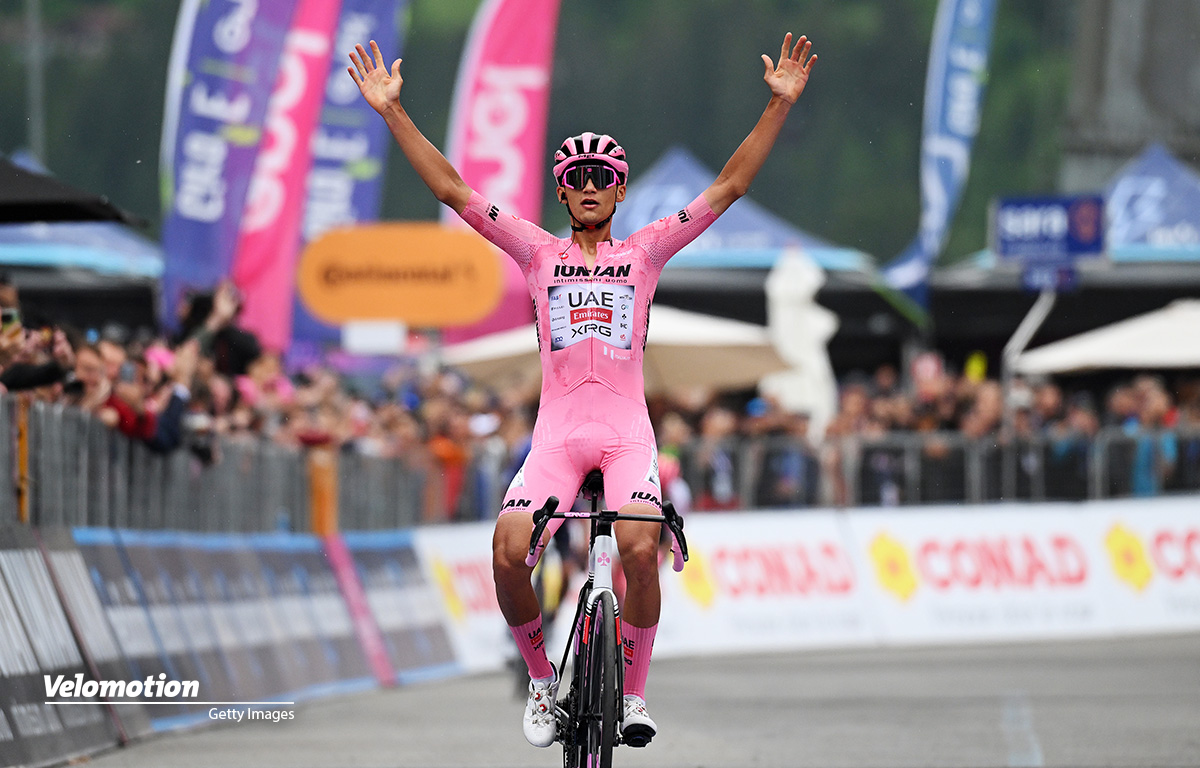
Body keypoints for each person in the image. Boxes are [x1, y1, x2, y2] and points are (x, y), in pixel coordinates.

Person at [349, 31, 816, 748]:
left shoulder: (648, 250)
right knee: (508, 550)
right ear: (562, 191)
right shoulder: (537, 252)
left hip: (627, 433)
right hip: (557, 439)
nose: (591, 184)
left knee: (638, 547)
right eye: (578, 176)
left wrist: (778, 107)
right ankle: (541, 683)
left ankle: (632, 696)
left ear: (621, 190)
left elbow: (728, 188)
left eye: (604, 175)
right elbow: (451, 190)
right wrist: (393, 113)